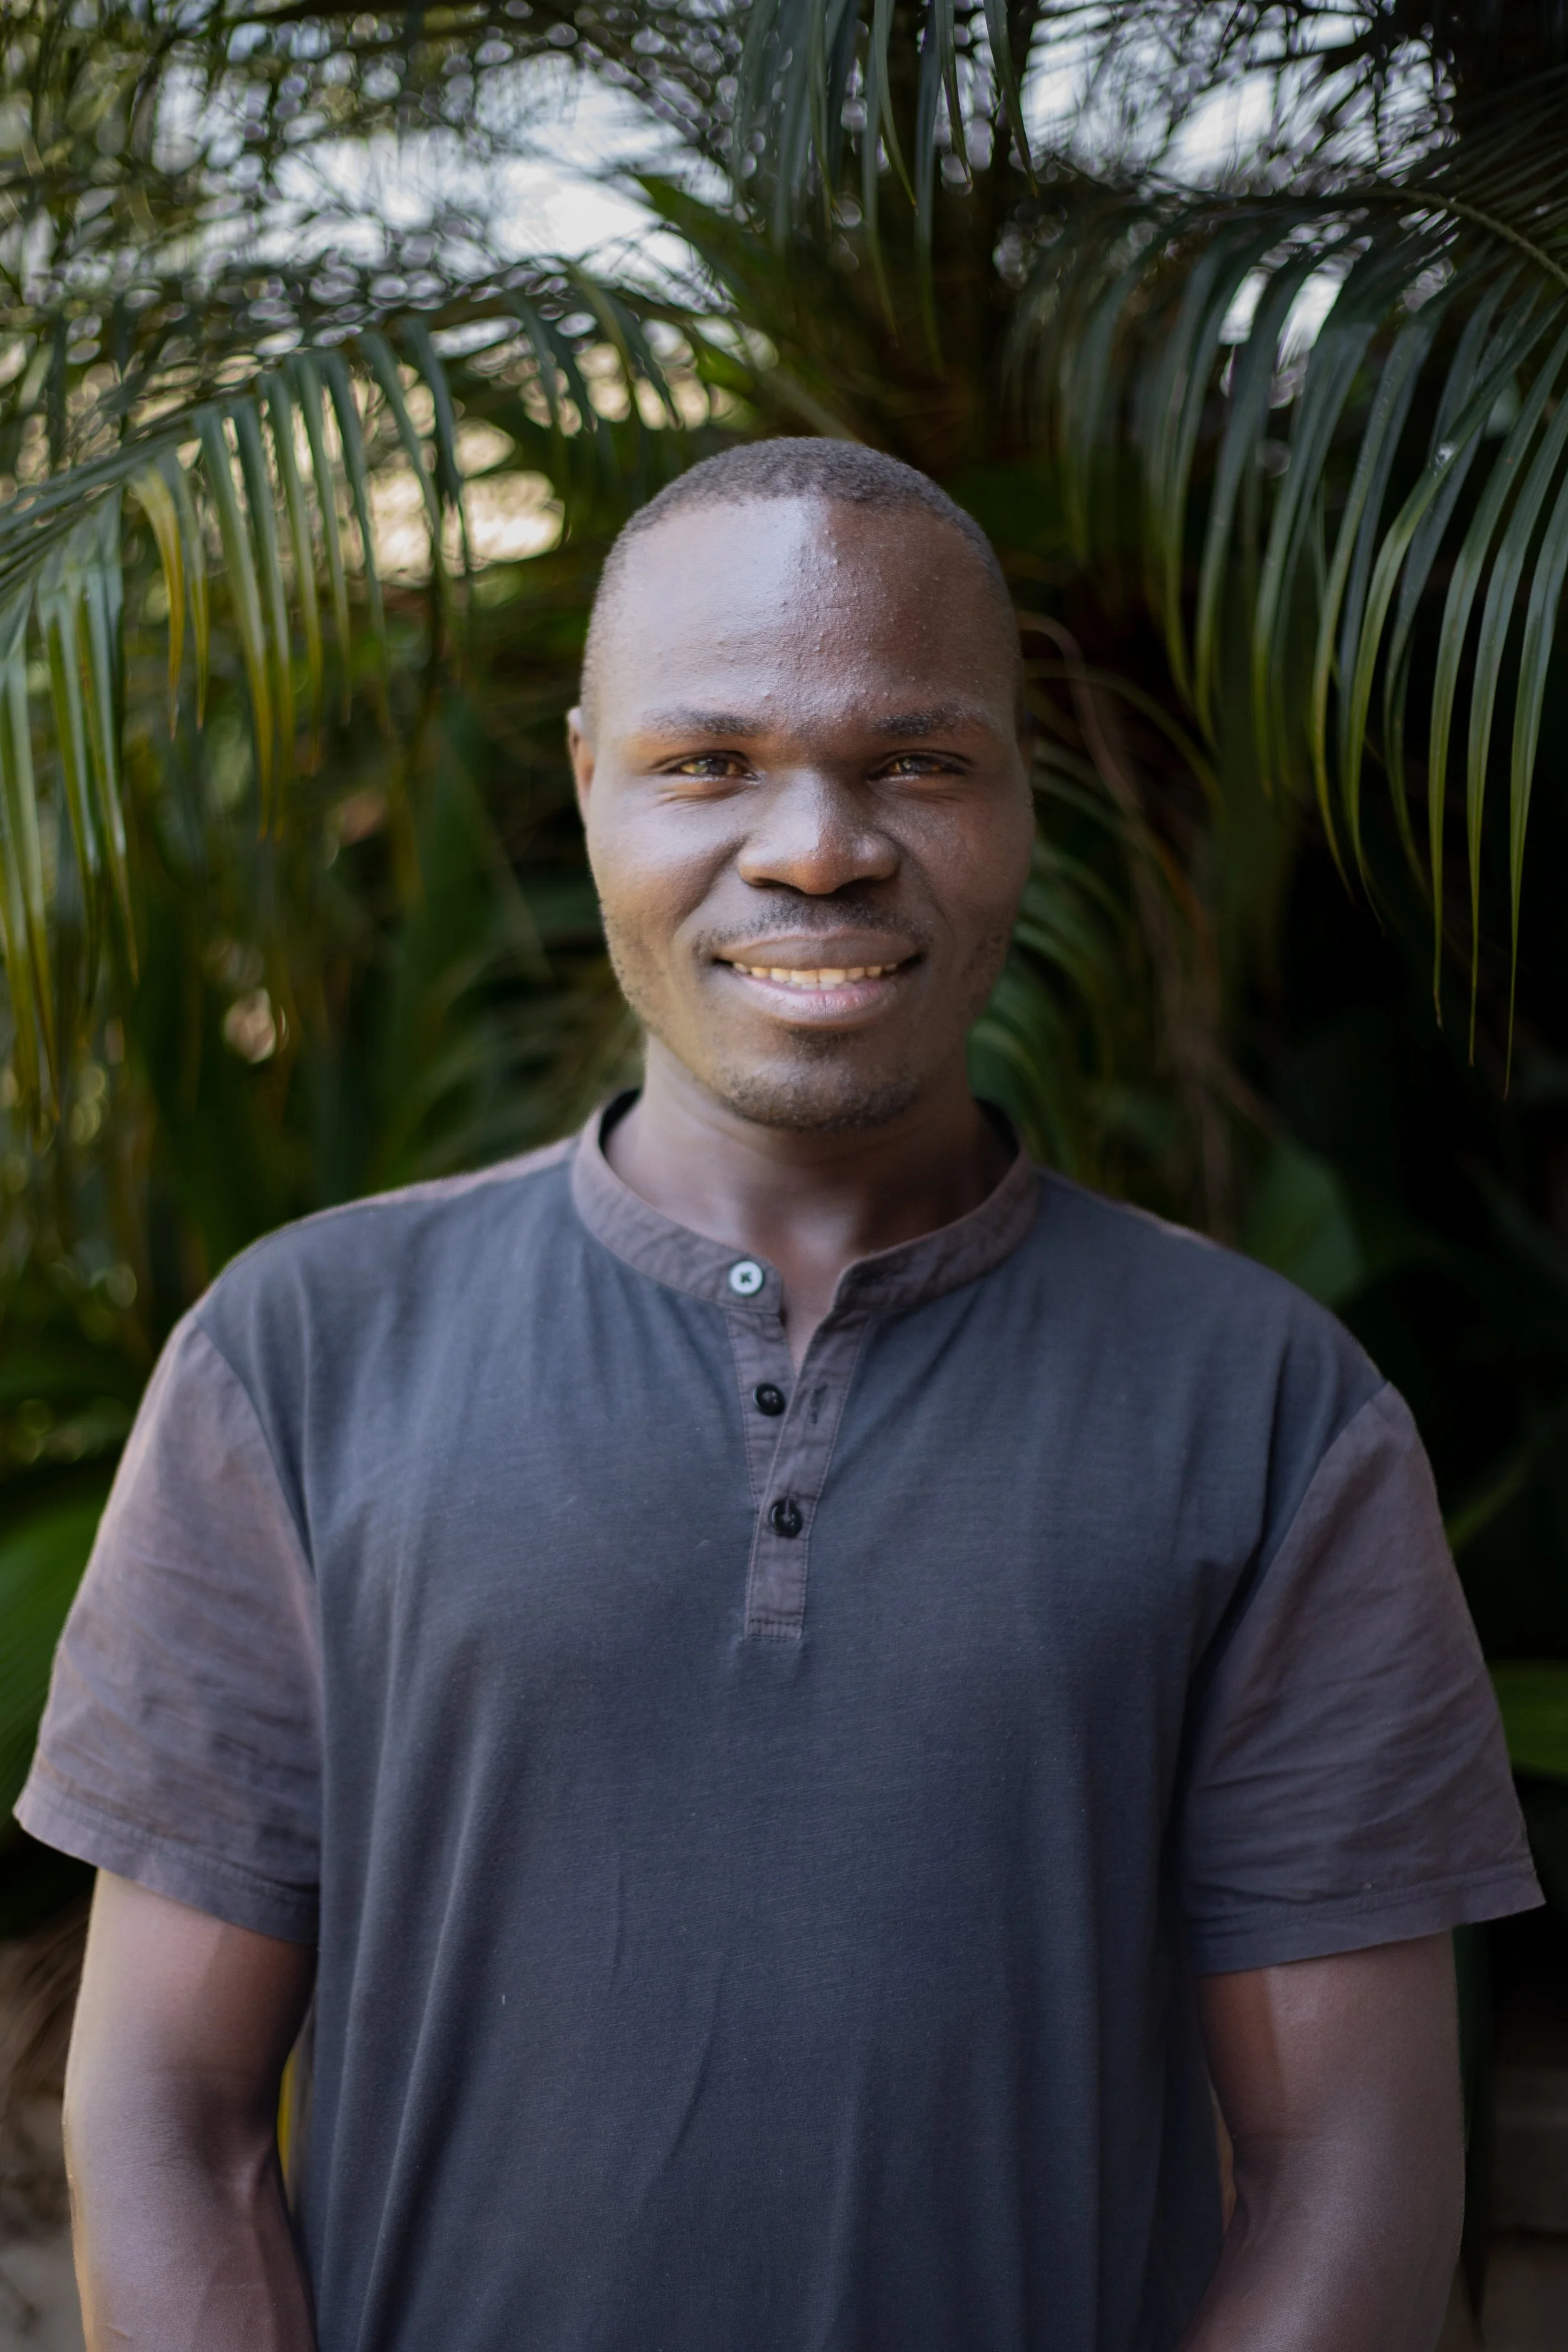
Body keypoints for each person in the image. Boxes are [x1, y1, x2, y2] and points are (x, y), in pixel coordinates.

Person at [20, 439, 1539, 2352]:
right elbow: (168, 2118)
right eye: (708, 761)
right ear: (589, 785)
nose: (815, 845)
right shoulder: (299, 1355)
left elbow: (1348, 2169)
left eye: (914, 758)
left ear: (1019, 792)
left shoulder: (1268, 1412)